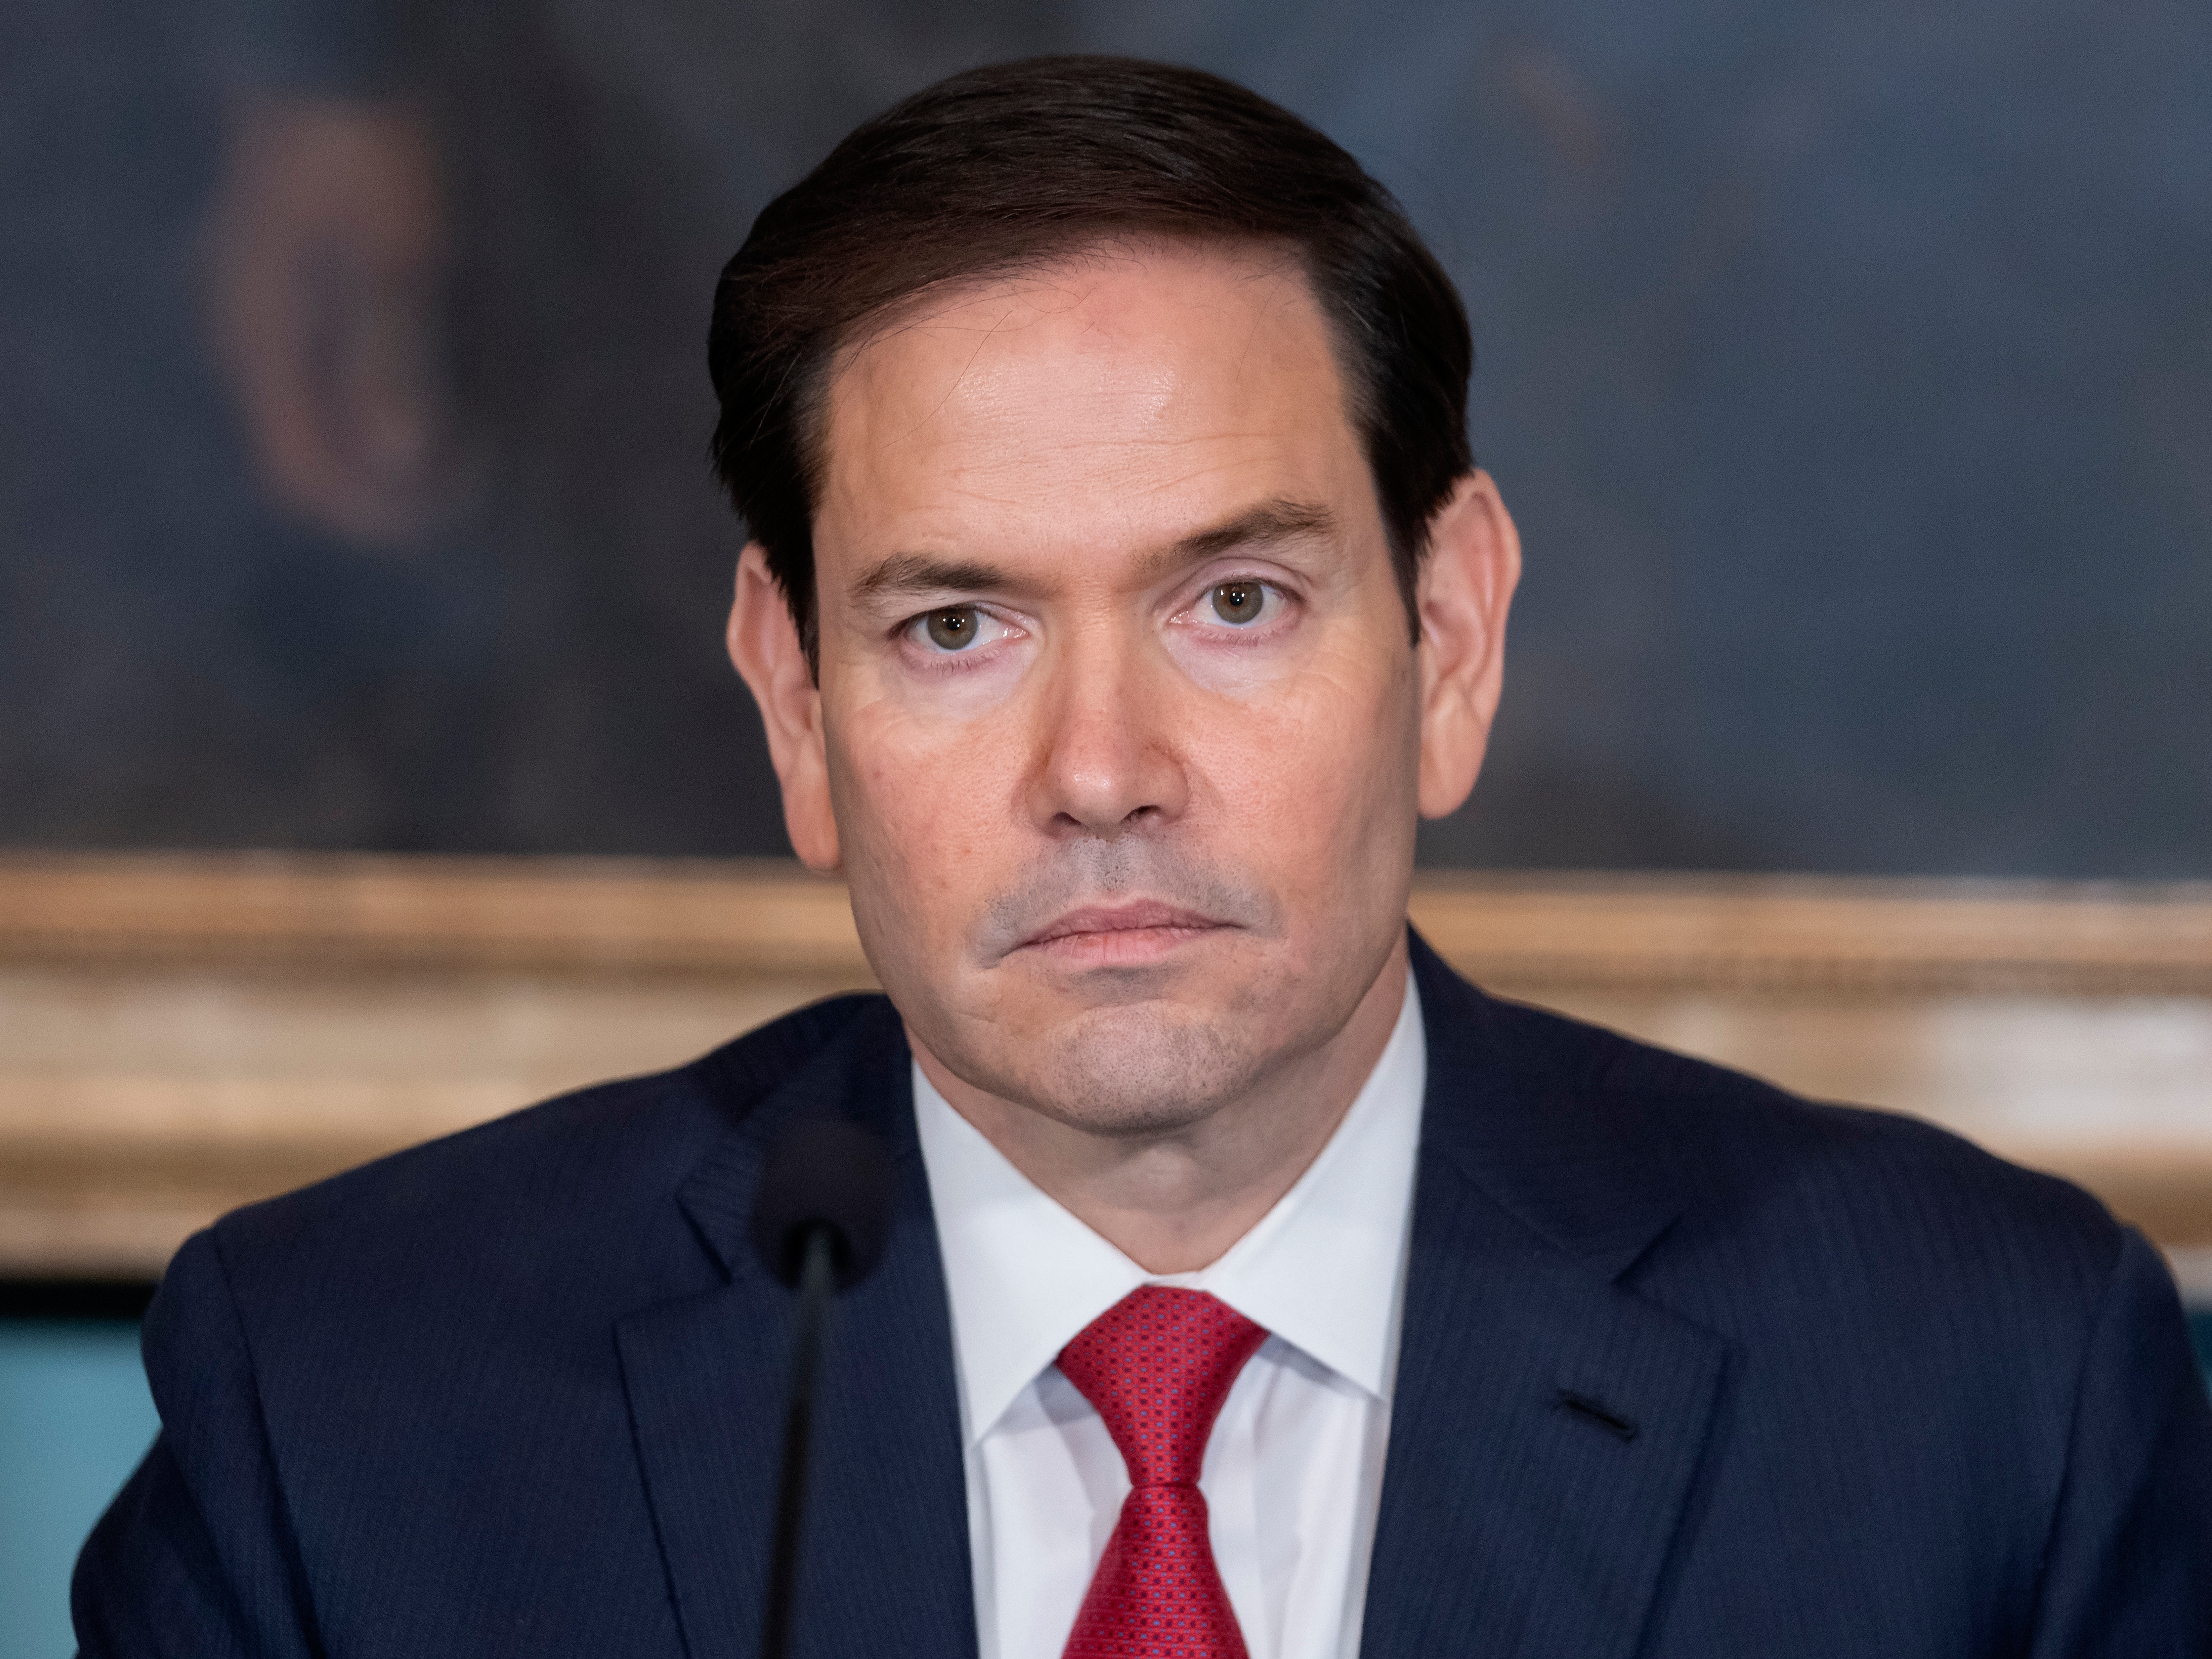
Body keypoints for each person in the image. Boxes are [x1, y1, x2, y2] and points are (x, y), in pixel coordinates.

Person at [73, 56, 2212, 1659]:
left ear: (1447, 637)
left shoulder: (1979, 1397)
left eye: (1234, 603)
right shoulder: (356, 1405)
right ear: (794, 703)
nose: (1101, 770)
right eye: (954, 627)